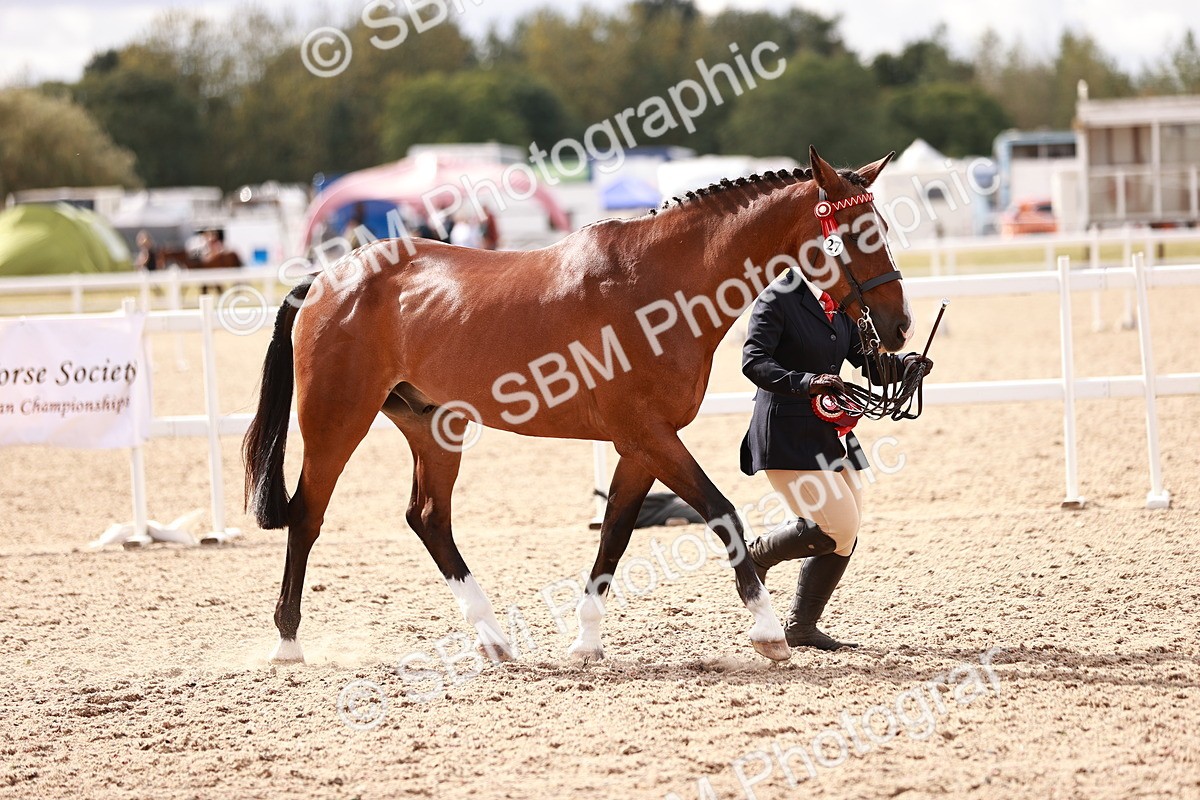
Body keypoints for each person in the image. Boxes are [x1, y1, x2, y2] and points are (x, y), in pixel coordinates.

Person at [739, 270, 932, 651]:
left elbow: (868, 364)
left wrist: (907, 364)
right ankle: (756, 554)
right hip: (786, 432)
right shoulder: (778, 298)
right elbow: (753, 362)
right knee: (838, 528)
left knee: (846, 533)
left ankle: (802, 627)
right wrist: (806, 381)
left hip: (831, 432)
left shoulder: (843, 304)